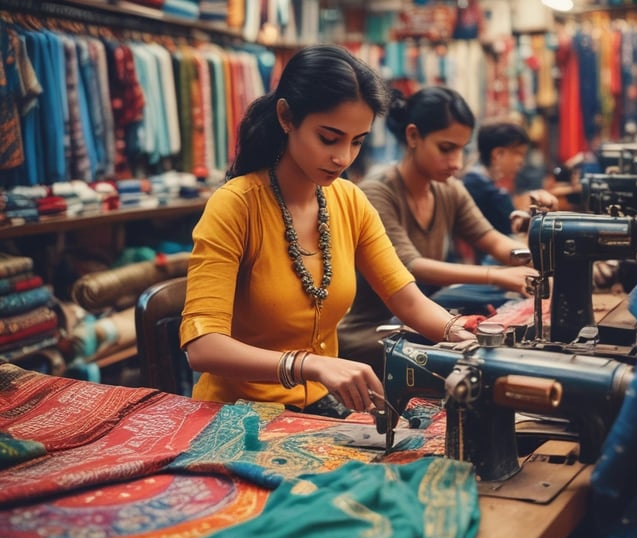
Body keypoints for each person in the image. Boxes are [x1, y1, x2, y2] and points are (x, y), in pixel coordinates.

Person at [179, 45, 473, 419]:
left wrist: (459, 334)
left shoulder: (349, 201)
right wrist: (312, 365)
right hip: (235, 413)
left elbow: (407, 300)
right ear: (286, 117)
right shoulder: (236, 205)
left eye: (357, 141)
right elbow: (203, 347)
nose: (343, 158)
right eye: (329, 138)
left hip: (312, 407)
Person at [338, 86, 540, 375]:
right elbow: (411, 266)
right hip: (374, 332)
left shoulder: (448, 190)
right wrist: (496, 275)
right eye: (446, 149)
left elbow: (492, 240)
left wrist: (539, 256)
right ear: (413, 136)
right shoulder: (377, 192)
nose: (456, 162)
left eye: (461, 149)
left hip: (423, 316)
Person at [462, 119, 559, 237]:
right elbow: (513, 227)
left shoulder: (473, 181)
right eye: (518, 153)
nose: (521, 162)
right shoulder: (486, 192)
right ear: (498, 154)